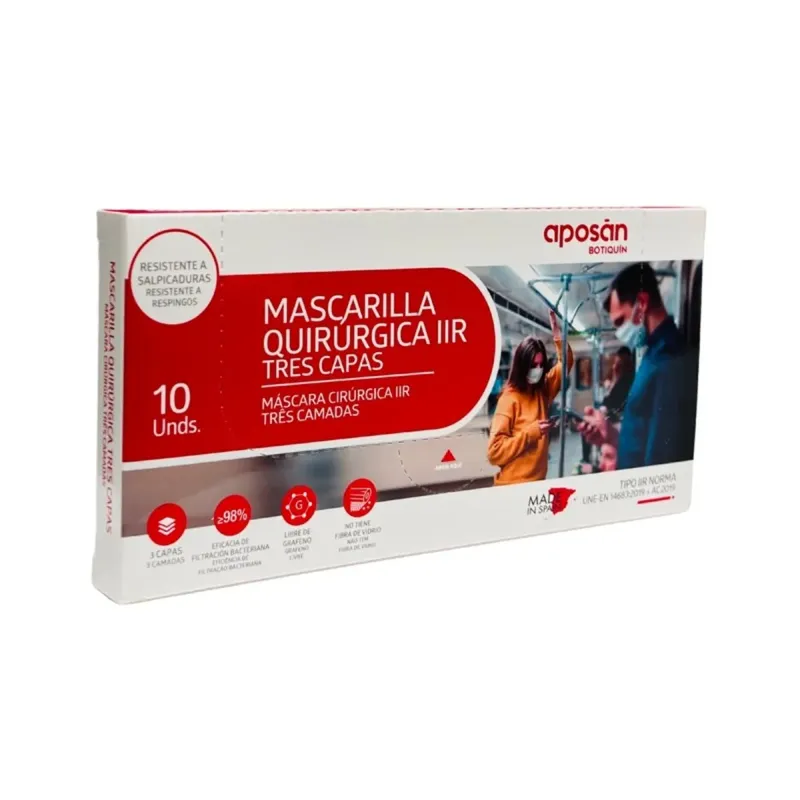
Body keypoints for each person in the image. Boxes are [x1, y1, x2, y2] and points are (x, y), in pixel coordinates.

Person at [579, 262, 698, 469]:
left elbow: (661, 462)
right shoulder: (652, 355)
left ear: (642, 303)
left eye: (620, 321)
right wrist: (611, 434)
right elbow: (644, 432)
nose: (620, 333)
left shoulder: (669, 363)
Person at [487, 310, 574, 485]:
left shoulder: (543, 390)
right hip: (512, 485)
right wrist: (531, 433)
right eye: (534, 365)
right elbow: (494, 453)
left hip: (537, 481)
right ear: (522, 366)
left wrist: (558, 336)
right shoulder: (509, 399)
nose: (538, 370)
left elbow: (566, 363)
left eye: (541, 365)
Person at [581, 345, 635, 463]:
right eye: (617, 363)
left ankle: (587, 460)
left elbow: (614, 400)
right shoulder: (621, 378)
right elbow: (611, 397)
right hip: (612, 409)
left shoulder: (628, 380)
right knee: (587, 421)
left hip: (616, 414)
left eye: (619, 363)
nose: (616, 366)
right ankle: (588, 459)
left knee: (589, 425)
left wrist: (604, 408)